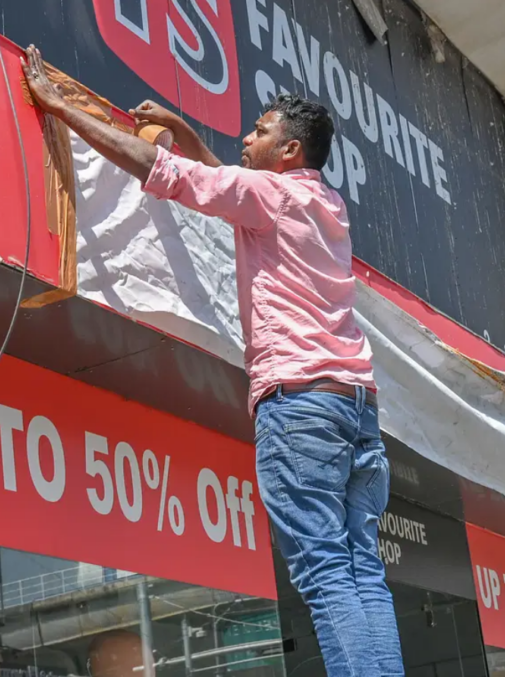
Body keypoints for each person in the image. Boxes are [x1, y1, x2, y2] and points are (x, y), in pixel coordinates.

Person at [22, 45, 404, 677]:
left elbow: (164, 173)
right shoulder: (325, 205)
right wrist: (181, 125)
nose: (245, 139)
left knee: (324, 569)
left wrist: (59, 106)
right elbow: (226, 189)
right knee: (361, 569)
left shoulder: (273, 198)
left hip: (301, 404)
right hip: (355, 409)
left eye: (259, 132)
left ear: (289, 152)